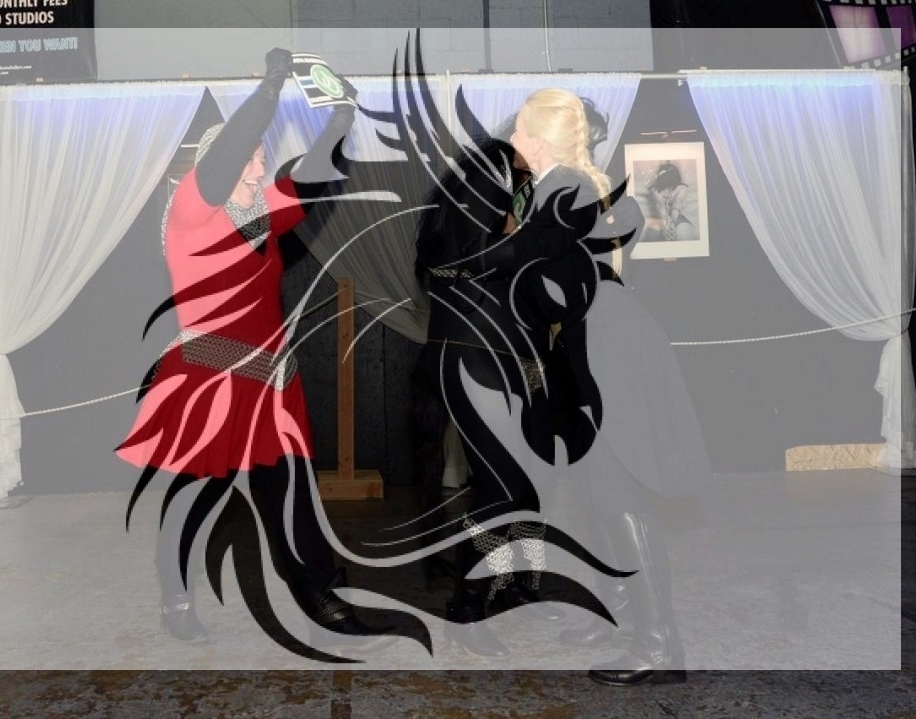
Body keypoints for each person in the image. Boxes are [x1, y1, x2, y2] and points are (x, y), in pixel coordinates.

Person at [115, 48, 399, 660]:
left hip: (271, 382)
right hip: (209, 380)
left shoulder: (261, 213)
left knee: (293, 497)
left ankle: (321, 600)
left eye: (261, 154)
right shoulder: (192, 212)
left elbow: (315, 176)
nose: (259, 160)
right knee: (195, 497)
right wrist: (271, 87)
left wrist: (342, 117)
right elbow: (228, 152)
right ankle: (177, 599)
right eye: (249, 154)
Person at [412, 91, 640, 658]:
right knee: (501, 486)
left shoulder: (537, 181)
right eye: (581, 137)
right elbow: (455, 258)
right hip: (477, 351)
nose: (586, 149)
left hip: (520, 353)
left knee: (530, 480)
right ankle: (467, 608)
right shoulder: (488, 172)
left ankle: (516, 582)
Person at [537, 117, 710, 686]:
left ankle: (659, 645)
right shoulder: (568, 192)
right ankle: (617, 607)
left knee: (617, 492)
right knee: (593, 489)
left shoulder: (570, 192)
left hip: (609, 352)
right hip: (589, 348)